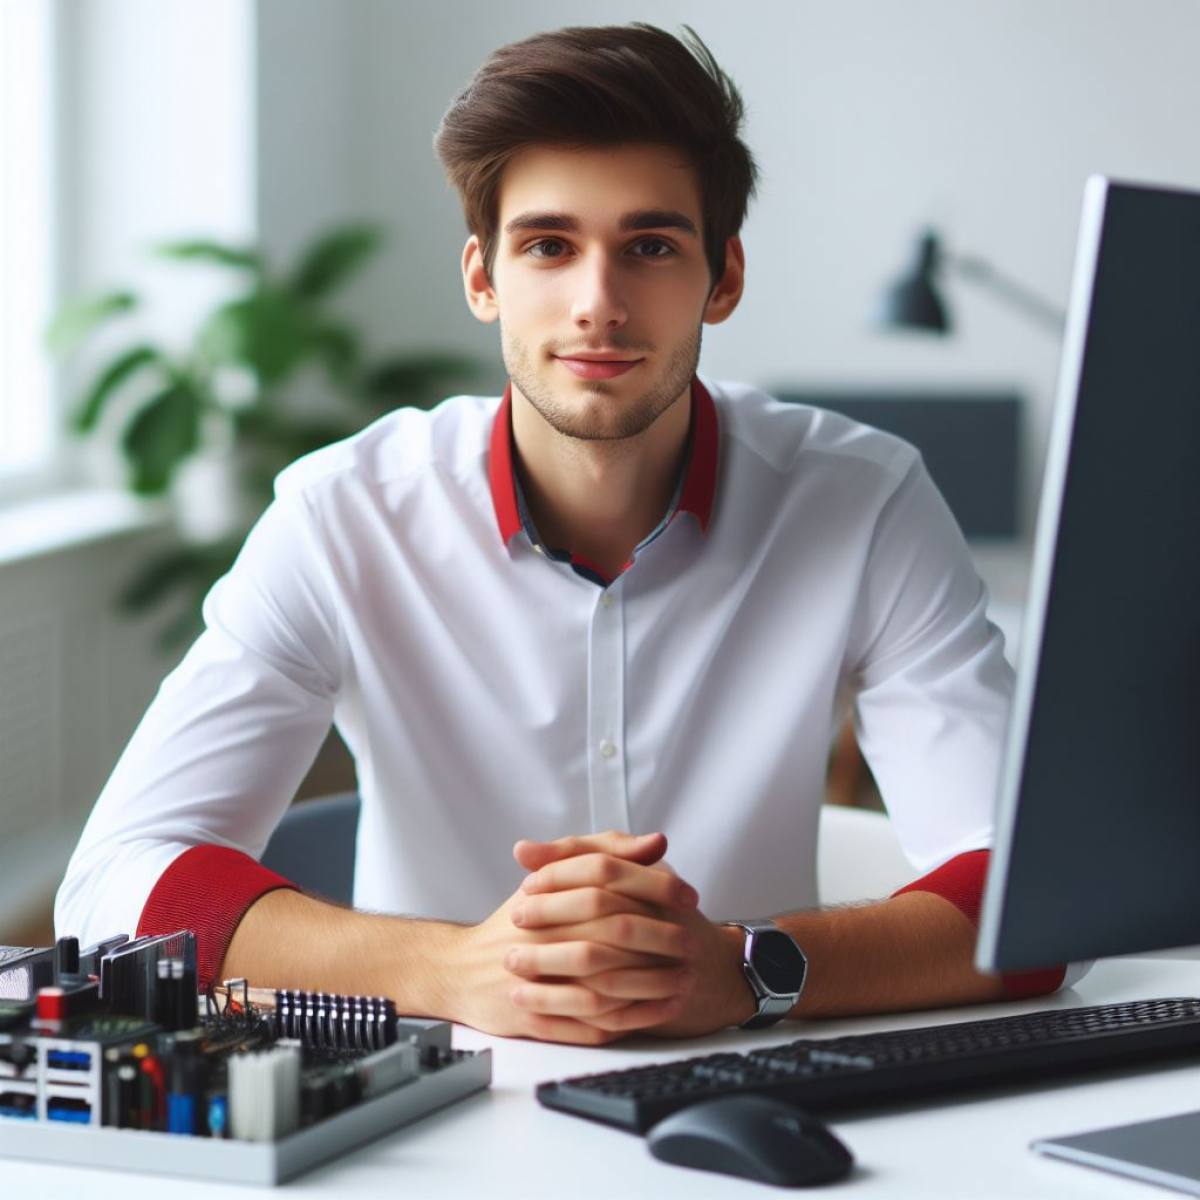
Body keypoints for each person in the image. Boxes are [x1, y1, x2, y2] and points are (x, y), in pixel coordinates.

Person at [56, 23, 1072, 1046]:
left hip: (760, 1080)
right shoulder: (342, 515)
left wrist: (743, 967)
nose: (600, 303)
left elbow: (1032, 893)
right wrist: (462, 966)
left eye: (651, 247)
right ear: (482, 277)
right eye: (549, 245)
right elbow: (116, 881)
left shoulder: (864, 502)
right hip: (429, 1104)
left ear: (723, 278)